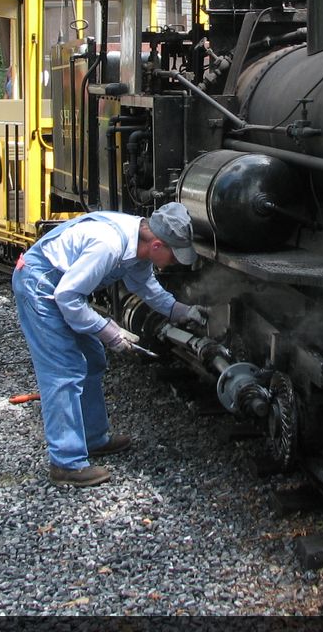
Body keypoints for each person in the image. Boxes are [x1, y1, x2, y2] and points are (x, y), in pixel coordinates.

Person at [11, 203, 209, 487]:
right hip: (40, 285)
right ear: (156, 245)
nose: (175, 262)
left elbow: (146, 287)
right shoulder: (109, 245)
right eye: (174, 256)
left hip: (61, 288)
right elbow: (67, 296)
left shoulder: (138, 244)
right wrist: (108, 331)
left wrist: (180, 311)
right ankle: (66, 464)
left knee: (93, 359)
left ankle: (93, 438)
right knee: (64, 370)